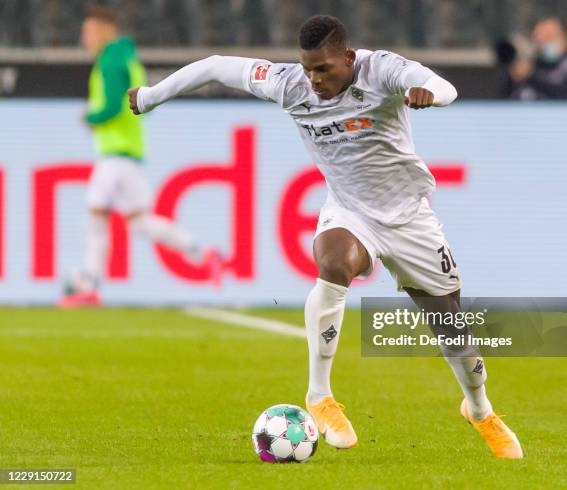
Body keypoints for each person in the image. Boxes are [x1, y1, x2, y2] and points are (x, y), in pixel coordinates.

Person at [128, 15, 523, 459]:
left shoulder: (381, 71)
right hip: (350, 211)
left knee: (451, 326)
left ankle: (479, 408)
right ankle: (320, 396)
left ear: (349, 59)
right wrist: (150, 96)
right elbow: (218, 65)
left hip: (410, 218)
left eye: (324, 69)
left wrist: (431, 95)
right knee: (334, 262)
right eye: (308, 68)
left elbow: (441, 84)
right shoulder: (288, 84)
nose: (314, 79)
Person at [60, 4, 221, 308]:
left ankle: (89, 285)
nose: (86, 38)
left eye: (90, 31)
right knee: (140, 223)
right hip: (130, 155)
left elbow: (110, 107)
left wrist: (90, 117)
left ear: (107, 29)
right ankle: (203, 253)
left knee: (96, 215)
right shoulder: (129, 58)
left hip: (115, 155)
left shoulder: (110, 61)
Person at [501, 17, 567, 100]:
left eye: (549, 37)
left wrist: (530, 77)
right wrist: (513, 77)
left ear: (565, 38)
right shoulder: (531, 65)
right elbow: (503, 99)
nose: (543, 42)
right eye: (538, 38)